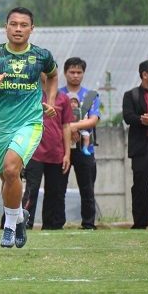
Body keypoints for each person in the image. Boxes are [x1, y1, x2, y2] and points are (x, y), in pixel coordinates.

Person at [0, 6, 58, 250]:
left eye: (24, 25)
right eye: (14, 24)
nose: (18, 29)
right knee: (8, 178)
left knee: (11, 170)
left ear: (32, 29)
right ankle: (19, 216)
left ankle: (8, 227)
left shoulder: (41, 55)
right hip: (0, 127)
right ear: (6, 26)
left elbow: (52, 75)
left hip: (29, 123)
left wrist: (49, 102)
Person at [59, 57, 102, 230]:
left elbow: (93, 120)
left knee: (87, 189)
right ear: (65, 73)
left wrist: (71, 127)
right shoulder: (59, 94)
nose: (76, 76)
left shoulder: (90, 96)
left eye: (79, 72)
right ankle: (56, 223)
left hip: (85, 149)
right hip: (62, 149)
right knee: (58, 189)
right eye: (72, 72)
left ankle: (89, 224)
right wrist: (69, 129)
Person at [22, 91, 73, 230]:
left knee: (54, 192)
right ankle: (25, 224)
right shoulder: (32, 94)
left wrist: (67, 153)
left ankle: (50, 226)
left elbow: (66, 126)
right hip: (34, 153)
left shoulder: (63, 98)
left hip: (56, 153)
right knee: (31, 191)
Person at [121, 59, 148, 229]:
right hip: (141, 149)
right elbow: (128, 116)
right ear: (145, 75)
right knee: (140, 187)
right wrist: (146, 120)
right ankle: (140, 223)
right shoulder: (131, 95)